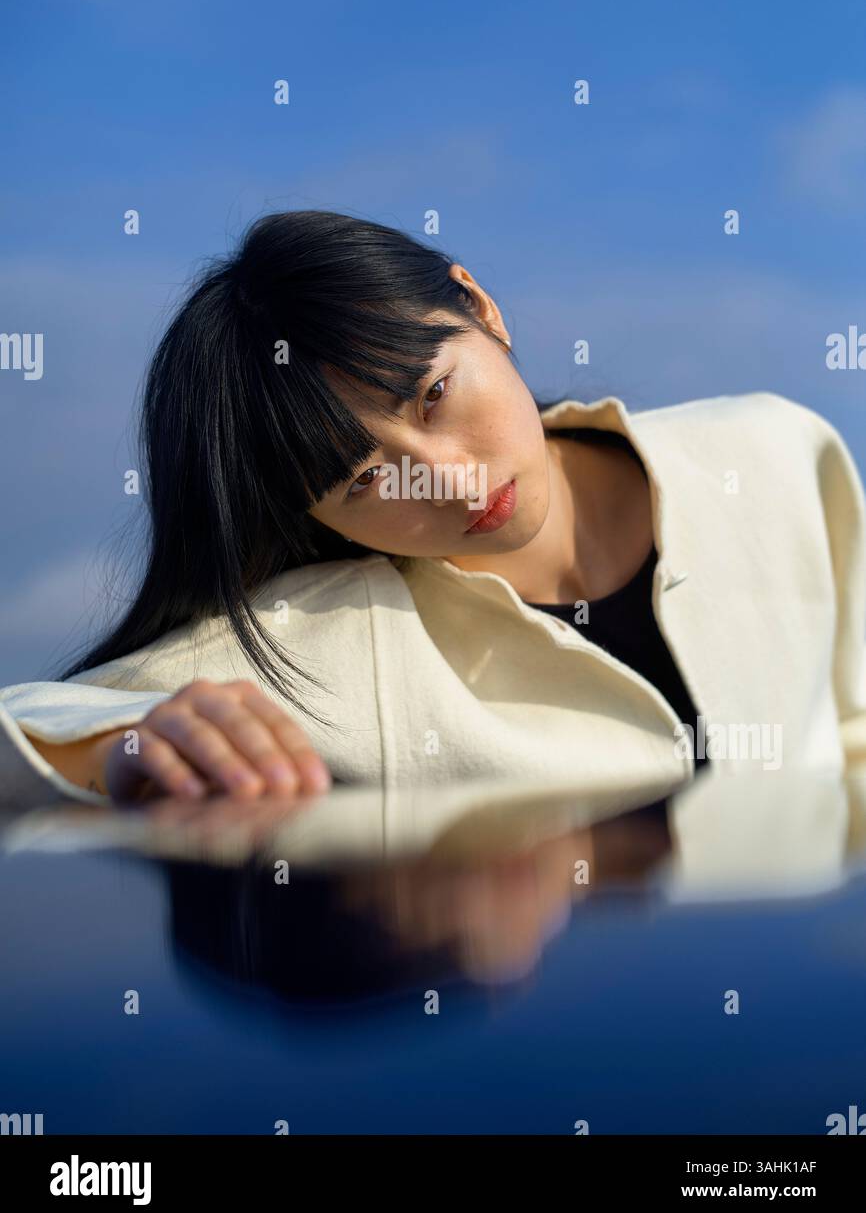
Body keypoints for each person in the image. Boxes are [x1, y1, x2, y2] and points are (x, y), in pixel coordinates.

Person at [1, 210, 865, 811]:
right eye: (363, 483)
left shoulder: (773, 455)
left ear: (479, 307)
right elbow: (42, 731)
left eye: (434, 395)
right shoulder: (326, 638)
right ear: (320, 519)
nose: (445, 483)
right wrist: (118, 751)